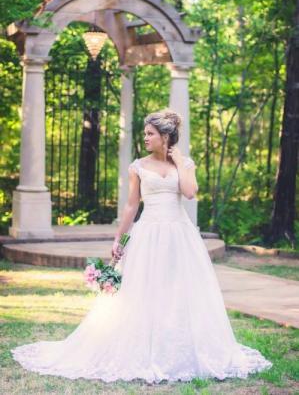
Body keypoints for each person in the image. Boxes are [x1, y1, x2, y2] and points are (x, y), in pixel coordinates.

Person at [11, 109, 273, 384]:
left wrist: (181, 161)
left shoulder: (184, 164)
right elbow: (131, 205)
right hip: (148, 233)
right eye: (145, 133)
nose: (145, 138)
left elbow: (190, 192)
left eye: (150, 134)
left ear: (165, 137)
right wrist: (119, 240)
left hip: (179, 236)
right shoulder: (138, 166)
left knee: (179, 290)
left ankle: (178, 348)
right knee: (145, 289)